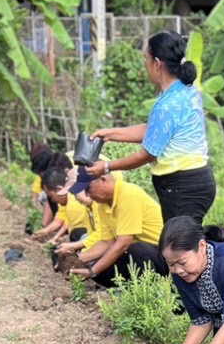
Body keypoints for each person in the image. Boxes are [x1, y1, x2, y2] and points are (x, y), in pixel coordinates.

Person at [87, 31, 215, 223]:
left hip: (182, 184)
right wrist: (111, 134)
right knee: (182, 244)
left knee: (179, 248)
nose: (145, 64)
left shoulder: (167, 104)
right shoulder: (185, 89)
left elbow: (147, 154)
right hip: (195, 180)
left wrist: (105, 166)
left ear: (157, 63)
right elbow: (156, 131)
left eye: (145, 58)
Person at [58, 169, 167, 286]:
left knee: (136, 250)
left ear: (103, 181)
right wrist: (77, 261)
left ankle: (153, 291)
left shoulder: (128, 194)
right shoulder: (102, 206)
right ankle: (131, 289)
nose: (87, 195)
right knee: (100, 270)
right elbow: (107, 243)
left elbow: (123, 243)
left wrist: (91, 271)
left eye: (88, 189)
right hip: (139, 254)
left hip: (163, 255)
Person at [33, 166, 91, 246]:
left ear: (59, 189)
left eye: (51, 196)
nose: (52, 201)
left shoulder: (75, 200)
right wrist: (50, 234)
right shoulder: (68, 201)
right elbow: (63, 221)